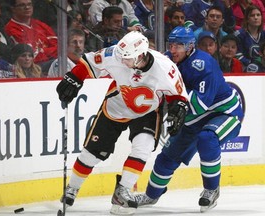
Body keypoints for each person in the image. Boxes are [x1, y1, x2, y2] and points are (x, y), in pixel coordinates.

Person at [56, 31, 189, 215]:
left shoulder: (165, 67)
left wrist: (178, 109)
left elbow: (178, 96)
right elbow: (89, 62)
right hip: (116, 107)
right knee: (92, 154)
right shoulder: (116, 54)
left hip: (148, 111)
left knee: (143, 147)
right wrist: (74, 78)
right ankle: (72, 187)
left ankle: (122, 192)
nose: (122, 61)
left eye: (128, 59)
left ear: (141, 56)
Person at [134, 27, 244, 213]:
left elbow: (200, 104)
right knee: (167, 157)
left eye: (179, 45)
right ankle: (152, 195)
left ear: (190, 46)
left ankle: (211, 190)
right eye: (172, 45)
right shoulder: (167, 59)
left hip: (224, 111)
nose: (174, 49)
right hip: (194, 115)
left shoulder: (203, 64)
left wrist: (175, 116)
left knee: (207, 138)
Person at [4, 0, 58, 64]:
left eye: (29, 4)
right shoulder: (11, 28)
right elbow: (30, 55)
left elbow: (59, 48)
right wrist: (49, 52)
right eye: (22, 5)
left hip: (52, 61)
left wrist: (42, 51)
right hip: (33, 66)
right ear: (13, 9)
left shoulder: (40, 24)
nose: (27, 7)